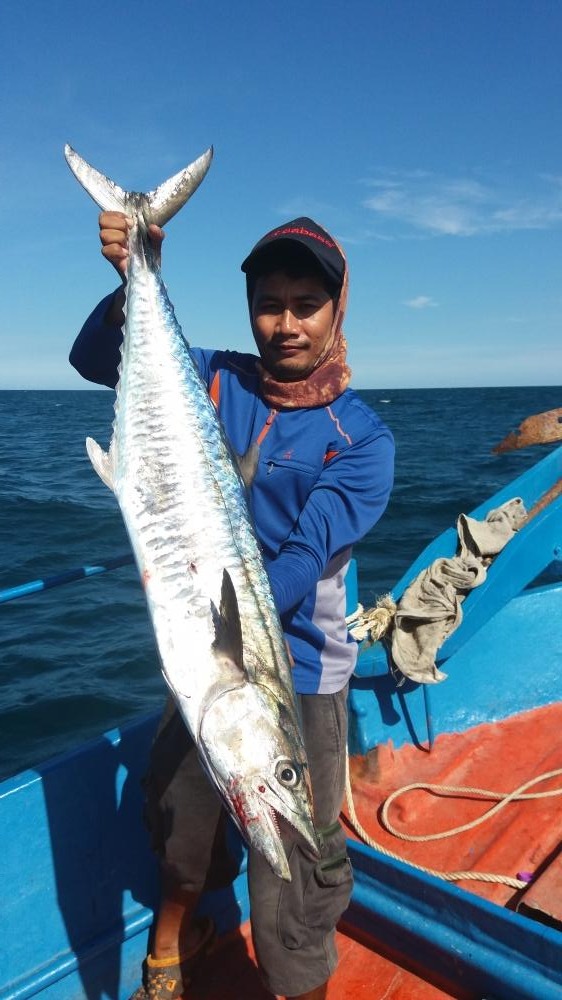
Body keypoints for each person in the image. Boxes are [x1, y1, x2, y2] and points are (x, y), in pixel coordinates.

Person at [70, 212, 394, 1000]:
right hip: (207, 667)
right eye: (270, 302)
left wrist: (200, 594)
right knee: (183, 831)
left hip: (299, 679)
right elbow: (91, 359)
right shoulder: (213, 378)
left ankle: (299, 982)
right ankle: (171, 945)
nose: (285, 322)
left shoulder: (362, 442)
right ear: (251, 307)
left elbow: (297, 563)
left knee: (300, 869)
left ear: (337, 309)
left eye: (305, 303)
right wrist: (132, 279)